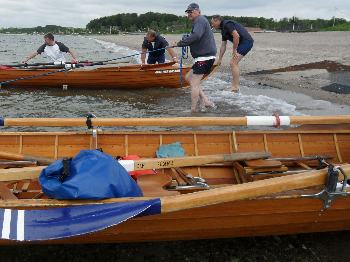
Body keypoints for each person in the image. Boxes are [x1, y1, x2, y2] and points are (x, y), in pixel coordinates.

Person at [176, 3, 217, 113]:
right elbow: (196, 36)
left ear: (197, 11)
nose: (189, 14)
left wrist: (182, 42)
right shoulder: (200, 21)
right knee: (188, 78)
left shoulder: (199, 20)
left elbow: (196, 35)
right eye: (187, 12)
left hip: (204, 57)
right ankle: (206, 100)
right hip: (202, 58)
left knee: (194, 83)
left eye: (191, 11)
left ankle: (193, 110)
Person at [211, 15, 254, 92]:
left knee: (233, 63)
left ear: (217, 21)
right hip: (241, 43)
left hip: (246, 42)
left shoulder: (227, 24)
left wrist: (234, 50)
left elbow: (236, 35)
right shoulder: (223, 30)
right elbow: (223, 45)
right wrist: (220, 59)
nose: (212, 25)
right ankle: (234, 85)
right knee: (233, 63)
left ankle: (235, 87)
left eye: (213, 23)